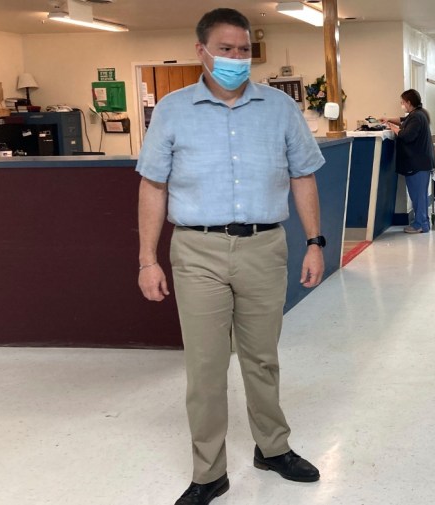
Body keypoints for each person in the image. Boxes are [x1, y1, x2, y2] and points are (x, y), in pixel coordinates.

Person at [136, 9, 326, 505]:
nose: (236, 59)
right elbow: (152, 185)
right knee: (205, 366)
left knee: (262, 358)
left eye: (244, 50)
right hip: (196, 249)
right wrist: (146, 259)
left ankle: (272, 447)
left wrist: (315, 241)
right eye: (226, 49)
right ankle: (208, 473)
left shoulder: (279, 109)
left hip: (265, 245)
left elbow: (303, 176)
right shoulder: (173, 111)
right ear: (201, 51)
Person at [380, 89, 435, 234]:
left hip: (418, 164)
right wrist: (388, 120)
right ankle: (422, 223)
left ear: (409, 102)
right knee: (419, 195)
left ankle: (420, 225)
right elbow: (403, 120)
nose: (401, 104)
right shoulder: (417, 114)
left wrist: (392, 128)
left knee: (418, 196)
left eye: (403, 102)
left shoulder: (417, 117)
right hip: (420, 163)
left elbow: (406, 135)